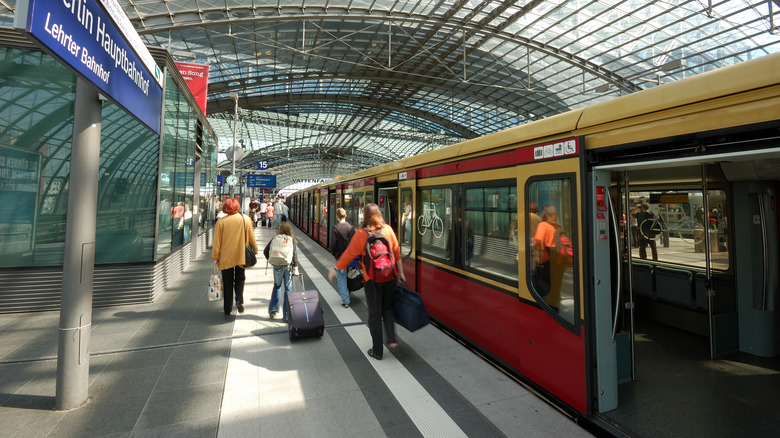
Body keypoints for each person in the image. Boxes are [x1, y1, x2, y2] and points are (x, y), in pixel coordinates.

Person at [329, 203, 406, 360]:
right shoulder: (388, 230)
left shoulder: (361, 234)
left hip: (372, 279)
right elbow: (397, 253)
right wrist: (401, 273)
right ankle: (392, 341)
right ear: (379, 214)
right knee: (388, 308)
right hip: (390, 276)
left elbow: (349, 254)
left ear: (364, 216)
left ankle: (377, 351)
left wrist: (335, 268)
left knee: (374, 315)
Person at [211, 198, 258, 315]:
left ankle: (227, 308)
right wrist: (255, 250)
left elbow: (217, 242)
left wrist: (216, 256)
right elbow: (251, 237)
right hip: (241, 254)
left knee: (227, 281)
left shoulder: (221, 222)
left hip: (226, 256)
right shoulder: (246, 219)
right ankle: (239, 300)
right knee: (240, 278)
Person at [263, 222, 300, 320]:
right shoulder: (291, 239)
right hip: (288, 266)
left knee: (277, 286)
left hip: (277, 266)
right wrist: (296, 267)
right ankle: (287, 316)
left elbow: (265, 251)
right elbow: (294, 254)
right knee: (288, 289)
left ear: (280, 229)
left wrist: (272, 261)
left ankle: (273, 310)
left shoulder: (275, 238)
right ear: (289, 230)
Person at [533, 205, 566, 308]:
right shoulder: (557, 227)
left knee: (543, 289)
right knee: (555, 290)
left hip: (547, 263)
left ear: (545, 215)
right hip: (559, 263)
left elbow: (538, 244)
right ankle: (556, 308)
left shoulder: (543, 225)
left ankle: (547, 309)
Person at [330, 208, 355, 308]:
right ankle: (347, 295)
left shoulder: (335, 228)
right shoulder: (351, 228)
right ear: (346, 216)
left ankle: (346, 301)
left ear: (337, 216)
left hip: (340, 258)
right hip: (351, 258)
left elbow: (333, 245)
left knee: (341, 279)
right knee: (349, 277)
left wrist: (335, 255)